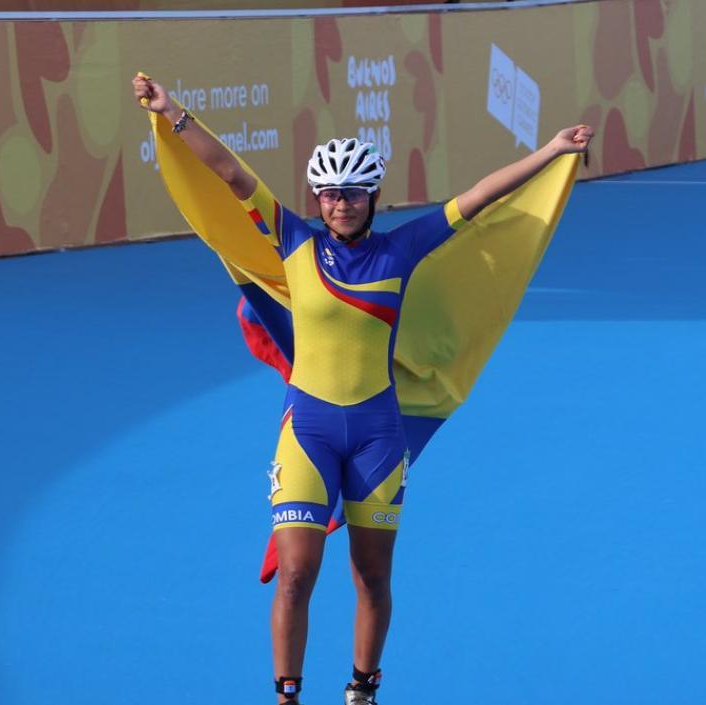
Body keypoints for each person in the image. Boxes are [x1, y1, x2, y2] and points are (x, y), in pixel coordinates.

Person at [133, 74, 591, 705]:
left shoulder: (403, 248)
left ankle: (362, 688)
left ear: (372, 196)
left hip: (378, 436)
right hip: (309, 431)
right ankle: (287, 696)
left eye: (351, 193)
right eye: (328, 194)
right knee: (296, 573)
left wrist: (551, 151)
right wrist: (173, 113)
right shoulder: (293, 238)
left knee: (372, 576)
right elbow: (230, 173)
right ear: (317, 200)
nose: (339, 203)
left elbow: (479, 196)